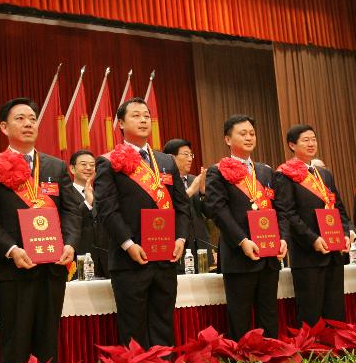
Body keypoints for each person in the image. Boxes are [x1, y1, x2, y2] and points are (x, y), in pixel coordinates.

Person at [0, 97, 81, 363]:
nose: (28, 124)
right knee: (15, 344)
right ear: (4, 127)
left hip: (52, 268)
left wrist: (70, 243)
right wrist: (11, 249)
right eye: (20, 119)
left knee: (48, 343)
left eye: (32, 119)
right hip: (13, 270)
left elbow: (71, 210)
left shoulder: (55, 166)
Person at [94, 97, 191, 349]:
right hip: (130, 260)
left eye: (146, 115)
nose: (143, 120)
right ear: (121, 123)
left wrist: (180, 238)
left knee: (163, 324)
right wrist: (128, 244)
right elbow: (107, 209)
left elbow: (182, 206)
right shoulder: (108, 161)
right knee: (133, 329)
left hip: (166, 258)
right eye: (136, 115)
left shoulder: (166, 162)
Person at [205, 114, 288, 341]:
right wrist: (242, 240)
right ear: (227, 139)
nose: (249, 137)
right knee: (239, 317)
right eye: (243, 134)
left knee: (269, 315)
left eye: (252, 133)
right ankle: (241, 360)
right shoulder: (217, 171)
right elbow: (218, 211)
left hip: (269, 255)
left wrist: (283, 238)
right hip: (239, 256)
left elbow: (281, 209)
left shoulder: (265, 171)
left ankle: (271, 356)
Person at [274, 124, 351, 327]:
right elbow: (288, 214)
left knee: (335, 313)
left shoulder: (324, 175)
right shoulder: (284, 174)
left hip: (334, 253)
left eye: (314, 139)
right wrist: (313, 239)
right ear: (292, 145)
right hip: (308, 256)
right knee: (311, 315)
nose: (311, 143)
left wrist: (347, 232)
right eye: (306, 140)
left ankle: (335, 347)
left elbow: (339, 209)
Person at [163, 139, 215, 273]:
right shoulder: (164, 182)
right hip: (179, 247)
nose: (190, 159)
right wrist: (191, 190)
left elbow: (209, 213)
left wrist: (203, 192)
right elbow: (170, 208)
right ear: (171, 157)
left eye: (191, 155)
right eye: (185, 154)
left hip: (202, 247)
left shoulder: (194, 180)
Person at [68, 150, 109, 278]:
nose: (89, 168)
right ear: (72, 169)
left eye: (92, 165)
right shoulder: (66, 193)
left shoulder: (101, 193)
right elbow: (70, 221)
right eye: (83, 164)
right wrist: (87, 203)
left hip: (104, 261)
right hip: (78, 259)